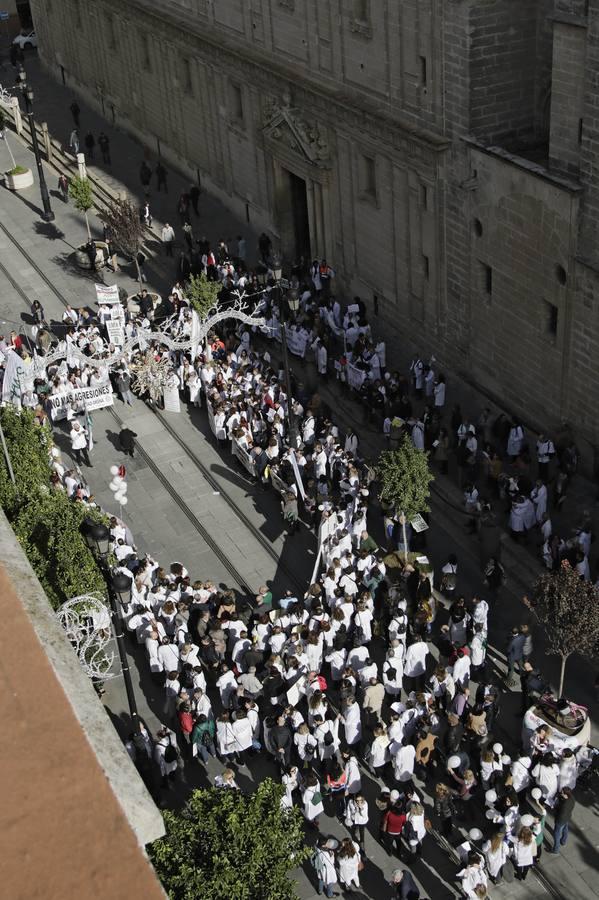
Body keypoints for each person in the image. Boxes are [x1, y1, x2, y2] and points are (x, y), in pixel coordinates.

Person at [551, 786, 575, 853]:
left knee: (556, 834)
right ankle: (563, 841)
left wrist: (554, 807)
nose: (560, 793)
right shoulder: (572, 798)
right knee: (565, 829)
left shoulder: (564, 806)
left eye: (562, 792)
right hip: (567, 817)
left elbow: (559, 812)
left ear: (565, 794)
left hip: (560, 820)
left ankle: (556, 849)